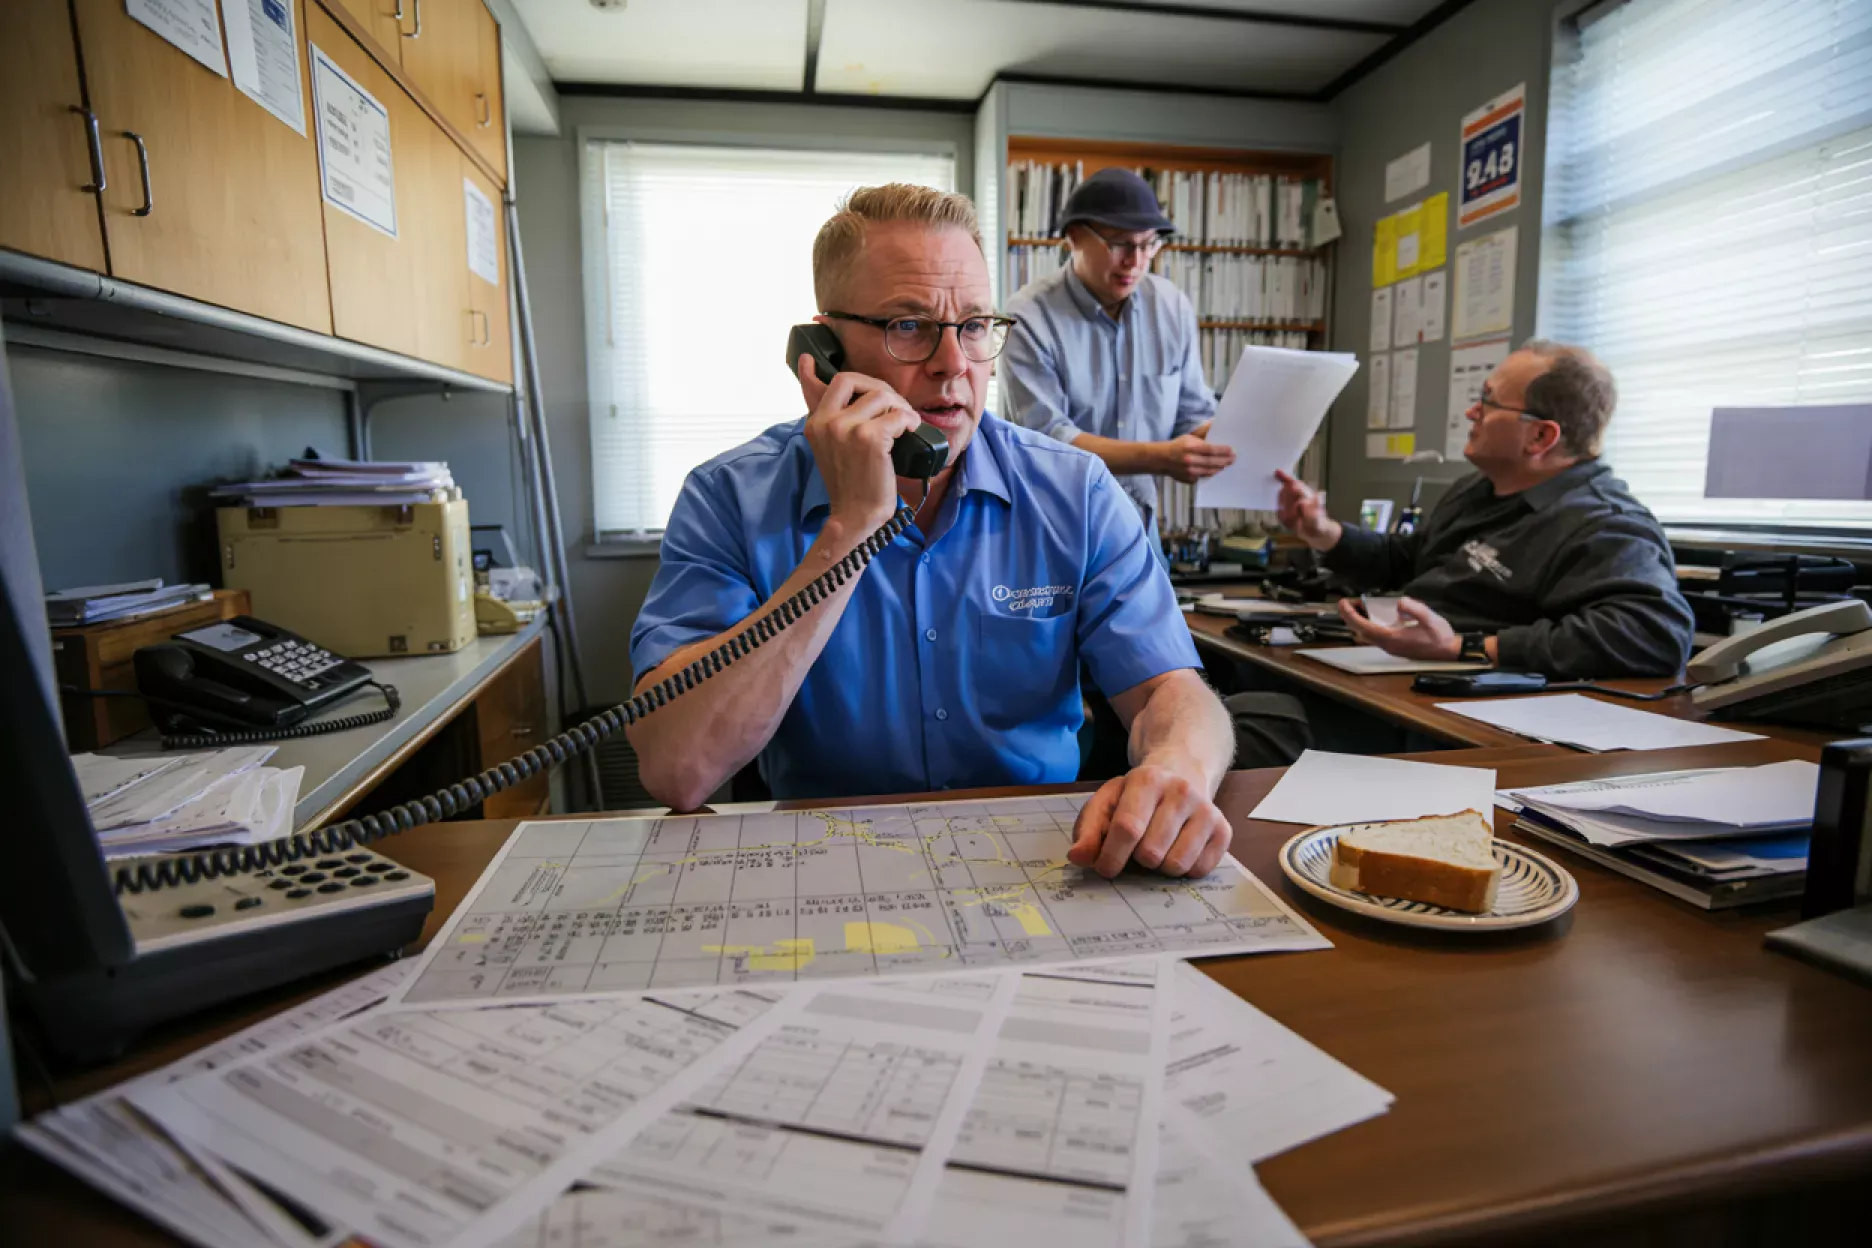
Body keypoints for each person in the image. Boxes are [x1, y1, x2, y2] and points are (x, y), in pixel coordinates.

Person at [627, 184, 1237, 879]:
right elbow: (677, 769)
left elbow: (1172, 693)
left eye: (975, 325)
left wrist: (1177, 768)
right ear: (821, 350)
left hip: (1039, 860)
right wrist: (852, 528)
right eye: (910, 326)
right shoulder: (730, 496)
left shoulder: (1077, 491)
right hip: (822, 865)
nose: (954, 364)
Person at [1274, 341, 1694, 678]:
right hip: (1397, 670)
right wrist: (1322, 532)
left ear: (1540, 436)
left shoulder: (1605, 525)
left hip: (1474, 699)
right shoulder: (1477, 489)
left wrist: (1465, 648)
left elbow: (1654, 636)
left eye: (1489, 403)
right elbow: (1409, 561)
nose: (1472, 412)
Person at [1000, 168, 1235, 548]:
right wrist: (1160, 458)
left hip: (1140, 523)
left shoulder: (1171, 307)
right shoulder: (1028, 316)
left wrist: (1228, 436)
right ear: (1075, 237)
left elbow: (1191, 414)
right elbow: (1048, 440)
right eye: (1120, 244)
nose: (1136, 261)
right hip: (1054, 526)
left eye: (1148, 245)